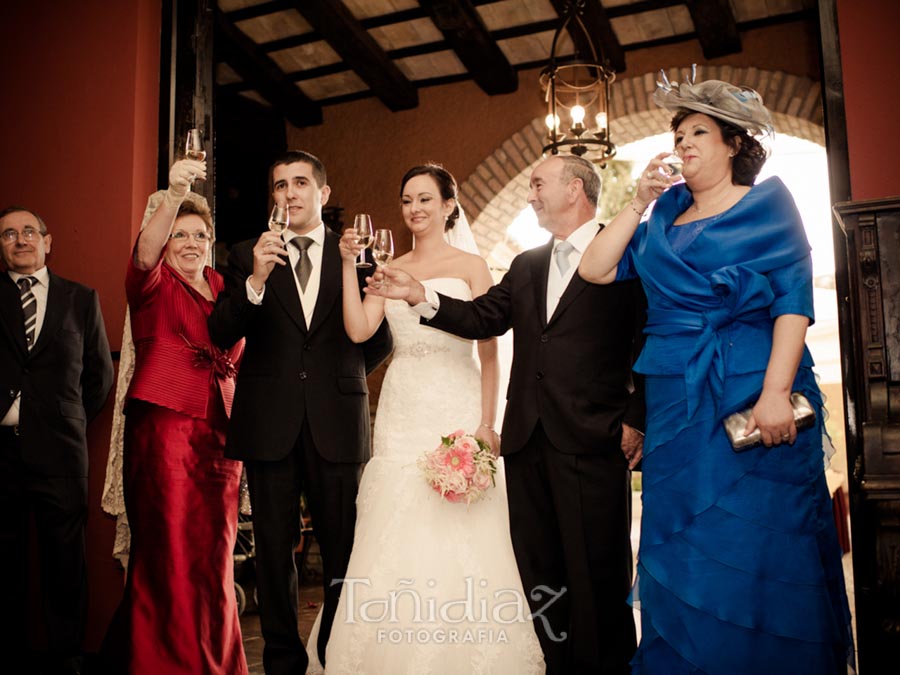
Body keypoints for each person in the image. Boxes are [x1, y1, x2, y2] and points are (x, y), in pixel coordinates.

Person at [578, 71, 854, 674]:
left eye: (698, 131)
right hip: (676, 404)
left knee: (761, 545)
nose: (684, 144)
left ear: (733, 142)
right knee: (681, 544)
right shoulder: (659, 220)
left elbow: (792, 301)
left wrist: (778, 393)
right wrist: (637, 201)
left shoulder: (770, 206)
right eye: (678, 136)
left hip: (751, 394)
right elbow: (596, 270)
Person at [368, 155, 646, 674]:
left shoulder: (631, 253)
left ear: (575, 189)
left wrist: (637, 420)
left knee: (599, 578)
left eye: (538, 184)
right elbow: (480, 317)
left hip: (593, 438)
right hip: (527, 443)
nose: (529, 195)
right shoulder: (527, 265)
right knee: (541, 577)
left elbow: (649, 341)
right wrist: (419, 294)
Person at [305, 163, 546, 674]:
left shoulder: (470, 268)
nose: (415, 210)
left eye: (425, 200)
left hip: (456, 402)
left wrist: (487, 422)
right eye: (407, 201)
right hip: (402, 404)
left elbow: (489, 352)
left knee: (463, 523)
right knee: (393, 518)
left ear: (448, 206)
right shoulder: (391, 265)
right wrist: (351, 267)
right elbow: (358, 329)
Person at [208, 150, 393, 675]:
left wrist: (343, 379)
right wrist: (257, 282)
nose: (289, 192)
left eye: (300, 183)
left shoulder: (355, 254)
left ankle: (334, 654)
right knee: (272, 550)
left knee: (343, 549)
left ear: (323, 194)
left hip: (337, 421)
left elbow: (377, 339)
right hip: (269, 423)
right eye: (279, 185)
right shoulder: (247, 254)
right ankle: (284, 662)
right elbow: (221, 332)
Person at [99, 159, 248, 675]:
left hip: (222, 440)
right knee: (165, 552)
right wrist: (173, 192)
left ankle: (214, 660)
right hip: (164, 433)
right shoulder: (151, 283)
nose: (189, 242)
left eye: (199, 234)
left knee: (213, 559)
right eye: (178, 233)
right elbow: (143, 250)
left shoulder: (226, 289)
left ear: (211, 240)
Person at [0, 206, 114, 674]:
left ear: (48, 242)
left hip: (62, 453)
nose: (20, 239)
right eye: (8, 234)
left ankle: (67, 656)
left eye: (29, 231)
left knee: (66, 565)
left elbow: (100, 377)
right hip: (1, 454)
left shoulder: (80, 299)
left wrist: (66, 421)